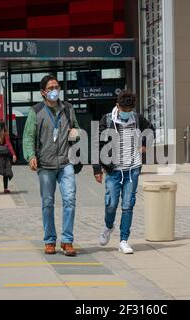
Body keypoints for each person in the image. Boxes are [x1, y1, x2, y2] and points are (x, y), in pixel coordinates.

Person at [23, 75, 80, 257]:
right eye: (51, 88)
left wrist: (75, 133)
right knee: (48, 203)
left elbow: (76, 129)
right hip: (45, 164)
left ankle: (67, 240)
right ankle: (49, 240)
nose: (55, 90)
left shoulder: (68, 109)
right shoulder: (36, 111)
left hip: (66, 162)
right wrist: (31, 155)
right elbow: (28, 136)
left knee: (69, 199)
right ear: (43, 92)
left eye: (57, 86)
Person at [93, 90, 155, 254]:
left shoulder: (137, 118)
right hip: (113, 171)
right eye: (124, 109)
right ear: (117, 105)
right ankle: (108, 226)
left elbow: (150, 129)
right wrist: (97, 169)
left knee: (128, 205)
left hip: (132, 169)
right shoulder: (107, 120)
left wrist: (144, 143)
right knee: (111, 204)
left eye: (129, 110)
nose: (127, 113)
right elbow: (96, 144)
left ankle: (123, 240)